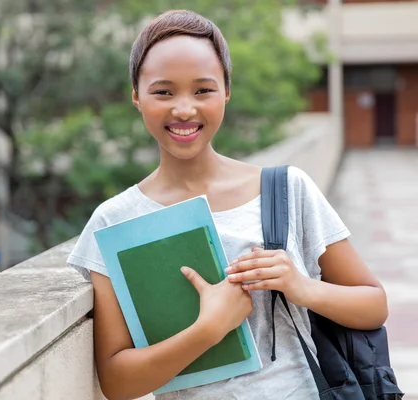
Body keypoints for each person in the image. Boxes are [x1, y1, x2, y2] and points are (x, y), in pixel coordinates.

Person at [66, 9, 388, 400]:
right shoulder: (114, 221)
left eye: (203, 90)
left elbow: (374, 305)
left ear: (226, 91)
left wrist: (300, 287)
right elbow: (117, 382)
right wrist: (210, 329)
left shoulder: (285, 189)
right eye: (163, 92)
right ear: (136, 96)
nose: (184, 110)